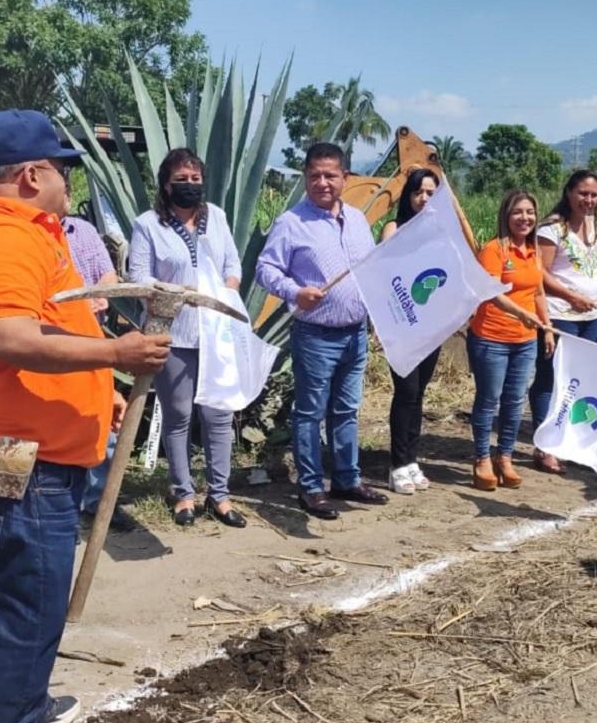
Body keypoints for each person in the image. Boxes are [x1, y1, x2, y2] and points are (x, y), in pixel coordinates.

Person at [0, 108, 170, 723]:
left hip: (25, 453)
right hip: (16, 460)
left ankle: (23, 705)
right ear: (34, 174)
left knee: (29, 599)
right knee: (25, 606)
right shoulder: (3, 239)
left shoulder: (28, 233)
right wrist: (116, 357)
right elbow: (11, 338)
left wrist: (95, 391)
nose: (70, 183)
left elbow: (46, 329)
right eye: (64, 170)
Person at [256, 142, 389, 520]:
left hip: (355, 333)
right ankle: (311, 487)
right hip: (315, 335)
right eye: (314, 175)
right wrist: (295, 291)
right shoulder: (291, 223)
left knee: (347, 410)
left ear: (346, 178)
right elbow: (266, 269)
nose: (322, 182)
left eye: (330, 175)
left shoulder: (359, 220)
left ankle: (347, 479)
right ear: (304, 179)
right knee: (310, 413)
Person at [128, 148, 246, 529]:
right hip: (173, 335)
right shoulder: (148, 224)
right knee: (178, 417)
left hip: (215, 334)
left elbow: (233, 265)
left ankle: (221, 495)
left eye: (195, 179)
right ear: (166, 184)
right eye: (182, 179)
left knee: (218, 416)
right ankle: (183, 493)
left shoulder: (219, 219)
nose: (190, 185)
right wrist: (178, 291)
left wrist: (223, 291)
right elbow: (139, 277)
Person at [528, 169, 597, 475]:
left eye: (593, 195)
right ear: (569, 193)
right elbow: (540, 272)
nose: (588, 200)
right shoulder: (552, 230)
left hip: (591, 315)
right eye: (583, 193)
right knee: (550, 379)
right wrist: (570, 297)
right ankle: (544, 447)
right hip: (559, 314)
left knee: (580, 379)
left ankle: (568, 440)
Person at [468, 190, 552, 490]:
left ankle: (505, 457)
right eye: (518, 212)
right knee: (488, 400)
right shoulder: (493, 250)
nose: (524, 218)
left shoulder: (534, 251)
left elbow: (538, 292)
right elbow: (491, 292)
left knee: (515, 401)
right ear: (506, 215)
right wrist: (521, 314)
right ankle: (481, 459)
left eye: (530, 212)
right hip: (492, 337)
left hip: (526, 339)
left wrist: (547, 327)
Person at [61, 183, 131, 531]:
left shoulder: (84, 231)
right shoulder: (24, 238)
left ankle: (99, 502)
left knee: (103, 424)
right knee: (55, 430)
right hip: (52, 347)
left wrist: (103, 292)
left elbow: (107, 271)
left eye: (65, 190)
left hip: (95, 342)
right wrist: (77, 306)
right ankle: (61, 515)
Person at [380, 168, 441, 494]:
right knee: (405, 392)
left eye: (431, 193)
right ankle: (397, 464)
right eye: (419, 192)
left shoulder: (442, 233)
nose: (424, 198)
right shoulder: (394, 227)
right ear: (409, 195)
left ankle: (412, 460)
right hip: (402, 325)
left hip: (431, 327)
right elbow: (388, 268)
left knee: (418, 394)